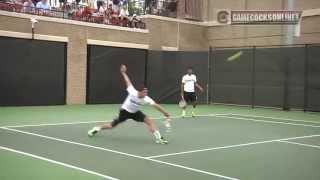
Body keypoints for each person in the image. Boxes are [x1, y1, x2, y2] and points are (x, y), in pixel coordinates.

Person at [88, 64, 171, 144]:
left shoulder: (146, 98)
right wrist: (123, 73)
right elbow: (127, 81)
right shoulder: (132, 92)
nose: (146, 93)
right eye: (144, 92)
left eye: (146, 92)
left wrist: (165, 113)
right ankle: (97, 128)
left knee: (149, 121)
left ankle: (159, 138)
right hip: (124, 112)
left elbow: (156, 105)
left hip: (135, 113)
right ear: (139, 91)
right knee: (111, 125)